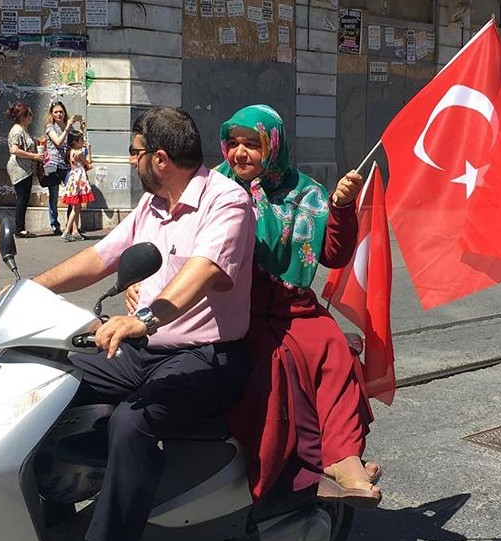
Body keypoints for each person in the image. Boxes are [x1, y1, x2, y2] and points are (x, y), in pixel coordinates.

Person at [30, 106, 256, 541]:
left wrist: (146, 319)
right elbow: (100, 258)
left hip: (207, 355)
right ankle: (55, 506)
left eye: (135, 153)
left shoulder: (227, 202)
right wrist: (29, 290)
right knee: (49, 378)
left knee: (132, 422)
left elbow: (201, 272)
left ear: (158, 157)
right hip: (145, 350)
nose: (132, 162)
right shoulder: (151, 207)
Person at [129, 104, 382, 508]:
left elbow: (333, 255)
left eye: (253, 144)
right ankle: (294, 470)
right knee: (269, 365)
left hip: (288, 302)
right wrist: (142, 281)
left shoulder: (306, 192)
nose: (240, 153)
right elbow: (165, 230)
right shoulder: (214, 186)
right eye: (234, 143)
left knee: (333, 347)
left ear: (274, 147)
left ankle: (342, 457)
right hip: (230, 302)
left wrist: (340, 206)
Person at [5, 101, 44, 238]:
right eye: (30, 114)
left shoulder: (22, 130)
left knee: (24, 198)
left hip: (25, 169)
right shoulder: (17, 130)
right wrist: (34, 155)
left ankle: (20, 227)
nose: (32, 117)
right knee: (22, 198)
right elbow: (14, 149)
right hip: (20, 169)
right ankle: (19, 228)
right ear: (23, 116)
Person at [40, 100, 73, 236]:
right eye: (56, 112)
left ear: (64, 112)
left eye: (61, 111)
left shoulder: (68, 127)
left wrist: (80, 128)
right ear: (52, 114)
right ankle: (55, 225)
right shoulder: (50, 127)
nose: (59, 114)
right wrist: (66, 129)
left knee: (72, 193)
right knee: (53, 196)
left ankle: (71, 225)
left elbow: (76, 141)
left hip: (66, 165)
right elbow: (58, 142)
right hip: (53, 165)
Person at [60, 128, 94, 241]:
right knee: (76, 208)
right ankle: (67, 230)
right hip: (79, 180)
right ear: (75, 141)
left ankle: (74, 231)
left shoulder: (71, 152)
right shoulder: (79, 153)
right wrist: (89, 150)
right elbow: (88, 164)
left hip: (73, 179)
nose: (83, 141)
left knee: (76, 206)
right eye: (81, 140)